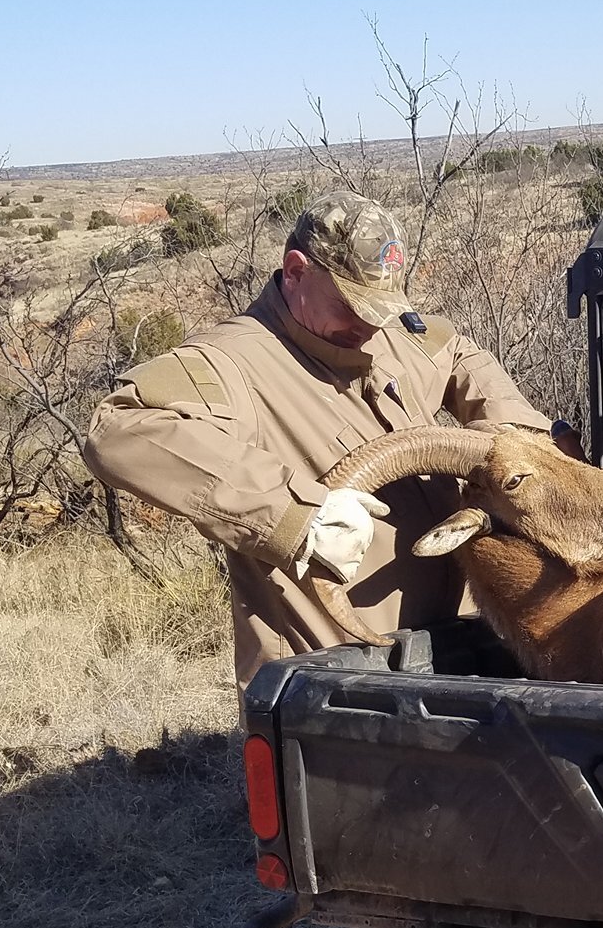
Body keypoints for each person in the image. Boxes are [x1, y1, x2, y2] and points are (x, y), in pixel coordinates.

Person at [82, 190, 556, 691]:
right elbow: (116, 428)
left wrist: (519, 439)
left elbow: (455, 350)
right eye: (352, 304)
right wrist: (292, 515)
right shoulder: (231, 362)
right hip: (337, 681)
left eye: (381, 309)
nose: (370, 326)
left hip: (459, 648)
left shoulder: (380, 334)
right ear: (295, 271)